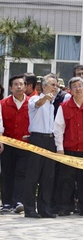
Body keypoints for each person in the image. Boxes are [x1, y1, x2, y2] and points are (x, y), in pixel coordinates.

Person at [54, 77, 83, 217]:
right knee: (66, 180)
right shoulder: (64, 106)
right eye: (74, 86)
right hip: (69, 149)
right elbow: (58, 128)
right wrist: (59, 148)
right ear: (70, 90)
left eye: (80, 86)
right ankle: (64, 207)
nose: (78, 88)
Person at [22, 73, 59, 218]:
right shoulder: (36, 99)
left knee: (48, 176)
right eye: (52, 85)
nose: (55, 88)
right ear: (44, 86)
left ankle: (44, 208)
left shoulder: (52, 103)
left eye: (56, 85)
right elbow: (37, 104)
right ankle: (29, 208)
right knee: (33, 175)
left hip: (50, 140)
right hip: (37, 139)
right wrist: (45, 97)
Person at [0, 74, 30, 213]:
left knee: (21, 172)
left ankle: (18, 201)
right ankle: (6, 202)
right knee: (7, 172)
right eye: (16, 85)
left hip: (24, 144)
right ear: (11, 88)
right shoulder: (3, 103)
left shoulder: (32, 103)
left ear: (25, 86)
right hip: (7, 144)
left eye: (21, 84)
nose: (19, 86)